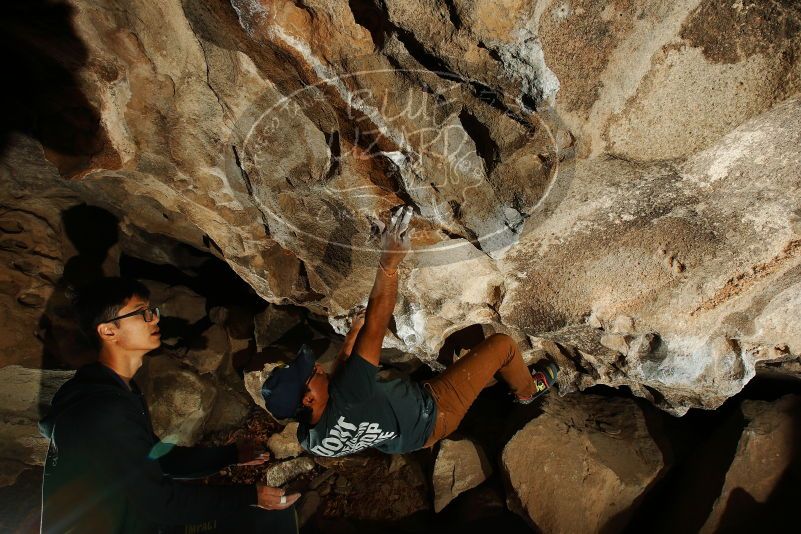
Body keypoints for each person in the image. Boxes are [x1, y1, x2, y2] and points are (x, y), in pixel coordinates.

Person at [262, 206, 558, 457]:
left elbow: (343, 384)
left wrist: (352, 336)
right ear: (308, 400)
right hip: (438, 412)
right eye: (309, 375)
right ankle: (528, 391)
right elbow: (377, 325)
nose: (315, 367)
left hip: (404, 439)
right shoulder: (348, 397)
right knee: (502, 346)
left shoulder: (309, 440)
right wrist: (388, 264)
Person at [39, 277, 300, 533]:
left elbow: (156, 458)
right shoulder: (104, 408)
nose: (154, 318)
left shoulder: (115, 391)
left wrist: (230, 455)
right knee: (264, 520)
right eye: (141, 314)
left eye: (151, 311)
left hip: (132, 519)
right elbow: (162, 504)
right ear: (109, 331)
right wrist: (250, 497)